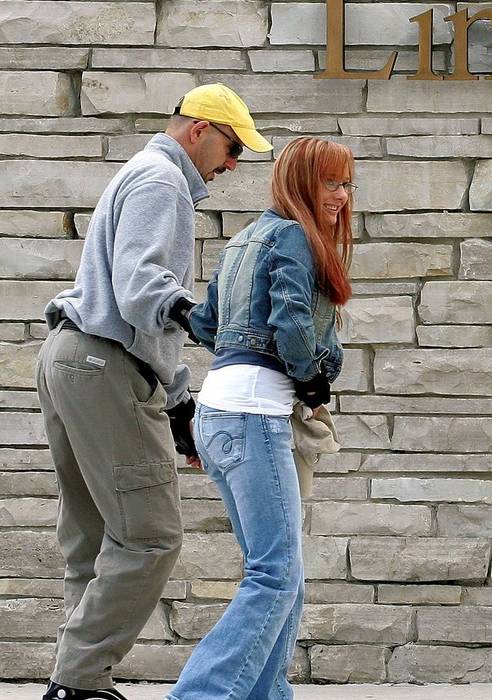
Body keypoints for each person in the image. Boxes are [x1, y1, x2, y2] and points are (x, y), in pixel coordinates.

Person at [36, 84, 272, 700]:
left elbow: (129, 292)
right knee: (150, 536)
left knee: (92, 539)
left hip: (71, 357)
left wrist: (176, 399)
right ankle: (78, 681)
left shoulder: (140, 174)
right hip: (103, 363)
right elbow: (143, 290)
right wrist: (207, 318)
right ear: (198, 129)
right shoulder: (163, 182)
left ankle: (80, 685)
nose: (232, 164)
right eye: (230, 146)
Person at [166, 136, 354, 700]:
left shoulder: (245, 237)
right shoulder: (294, 236)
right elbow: (293, 320)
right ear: (300, 181)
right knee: (274, 574)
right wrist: (313, 379)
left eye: (347, 184)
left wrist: (172, 304)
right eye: (330, 183)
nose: (341, 197)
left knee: (281, 574)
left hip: (220, 412)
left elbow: (205, 323)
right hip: (253, 413)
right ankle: (199, 696)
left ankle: (266, 694)